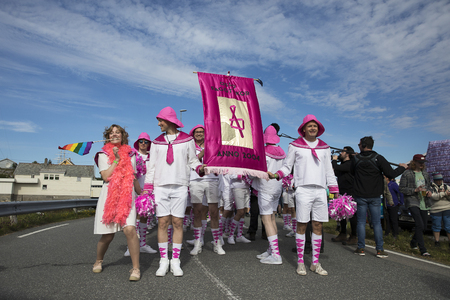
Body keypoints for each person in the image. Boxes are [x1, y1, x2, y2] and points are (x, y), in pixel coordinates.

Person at [269, 114, 338, 276]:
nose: (312, 128)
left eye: (315, 126)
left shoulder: (325, 147)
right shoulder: (295, 145)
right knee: (302, 224)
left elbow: (329, 170)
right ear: (304, 129)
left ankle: (315, 262)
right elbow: (287, 166)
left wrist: (334, 189)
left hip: (321, 190)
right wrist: (276, 174)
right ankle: (301, 261)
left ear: (318, 129)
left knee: (318, 225)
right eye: (309, 126)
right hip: (303, 190)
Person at [144, 107, 205, 277]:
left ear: (169, 120)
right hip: (160, 187)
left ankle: (175, 261)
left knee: (178, 223)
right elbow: (152, 166)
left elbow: (192, 161)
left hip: (180, 186)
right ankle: (164, 261)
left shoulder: (187, 140)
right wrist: (148, 188)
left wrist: (200, 168)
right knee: (163, 223)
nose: (158, 124)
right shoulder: (156, 142)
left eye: (160, 121)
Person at [92, 124, 141, 281]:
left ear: (122, 135)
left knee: (130, 230)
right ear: (107, 136)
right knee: (108, 236)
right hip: (110, 195)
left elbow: (132, 176)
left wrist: (142, 192)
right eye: (111, 133)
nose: (114, 135)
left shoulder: (132, 154)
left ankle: (135, 268)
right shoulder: (102, 154)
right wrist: (116, 160)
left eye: (117, 132)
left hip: (127, 195)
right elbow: (106, 176)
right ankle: (99, 260)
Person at [352, 136, 407, 258]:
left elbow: (351, 172)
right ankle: (379, 249)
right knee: (377, 223)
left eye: (359, 144)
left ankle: (361, 248)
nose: (358, 146)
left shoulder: (355, 159)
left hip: (360, 195)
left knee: (361, 222)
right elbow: (391, 174)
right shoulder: (378, 158)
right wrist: (402, 167)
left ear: (363, 145)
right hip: (375, 195)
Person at [188, 124, 225, 255]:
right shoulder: (190, 146)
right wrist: (204, 151)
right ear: (193, 134)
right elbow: (191, 161)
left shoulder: (214, 145)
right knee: (197, 212)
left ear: (206, 134)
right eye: (196, 132)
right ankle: (198, 243)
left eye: (201, 132)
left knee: (214, 212)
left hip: (212, 180)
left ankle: (217, 243)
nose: (199, 134)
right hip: (195, 180)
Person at [253, 124, 286, 265]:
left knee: (266, 220)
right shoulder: (282, 152)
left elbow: (259, 169)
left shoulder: (263, 151)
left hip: (266, 188)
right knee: (272, 219)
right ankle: (271, 250)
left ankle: (276, 254)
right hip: (277, 187)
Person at [124, 132, 158, 256]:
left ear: (149, 144)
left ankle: (142, 244)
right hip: (132, 191)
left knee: (144, 217)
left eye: (146, 141)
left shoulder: (153, 158)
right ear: (137, 143)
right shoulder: (132, 155)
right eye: (141, 141)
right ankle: (131, 246)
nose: (143, 143)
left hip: (147, 191)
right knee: (133, 218)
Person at [399, 154, 432, 256]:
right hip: (412, 200)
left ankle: (413, 242)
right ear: (414, 163)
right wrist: (415, 190)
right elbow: (402, 188)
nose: (422, 164)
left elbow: (429, 186)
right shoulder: (407, 174)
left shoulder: (425, 174)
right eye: (420, 162)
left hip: (424, 201)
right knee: (419, 224)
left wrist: (429, 192)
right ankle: (423, 250)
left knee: (424, 226)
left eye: (423, 163)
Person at [331, 146, 357, 245]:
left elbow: (336, 167)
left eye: (342, 151)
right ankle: (343, 233)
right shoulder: (343, 164)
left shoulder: (350, 164)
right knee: (341, 214)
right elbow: (335, 170)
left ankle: (354, 236)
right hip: (342, 191)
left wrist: (334, 160)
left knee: (352, 216)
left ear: (348, 154)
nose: (340, 153)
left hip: (350, 192)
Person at [429, 173, 450, 249]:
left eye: (440, 180)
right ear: (434, 180)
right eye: (437, 180)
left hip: (447, 208)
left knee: (448, 226)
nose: (439, 182)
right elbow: (433, 197)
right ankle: (437, 241)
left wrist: (447, 195)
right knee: (436, 226)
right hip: (435, 209)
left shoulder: (446, 186)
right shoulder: (431, 187)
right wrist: (444, 193)